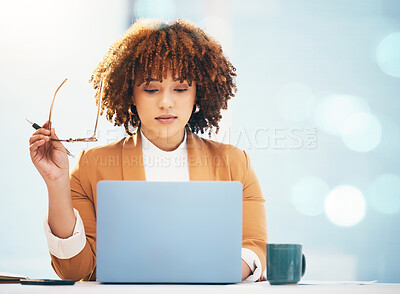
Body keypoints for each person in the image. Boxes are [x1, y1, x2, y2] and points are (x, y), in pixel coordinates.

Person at [29, 18, 267, 282]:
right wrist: (56, 182)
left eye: (180, 88)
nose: (166, 102)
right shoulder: (92, 165)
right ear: (131, 94)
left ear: (198, 93)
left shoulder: (234, 163)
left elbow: (254, 247)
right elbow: (75, 270)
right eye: (152, 89)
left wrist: (218, 271)